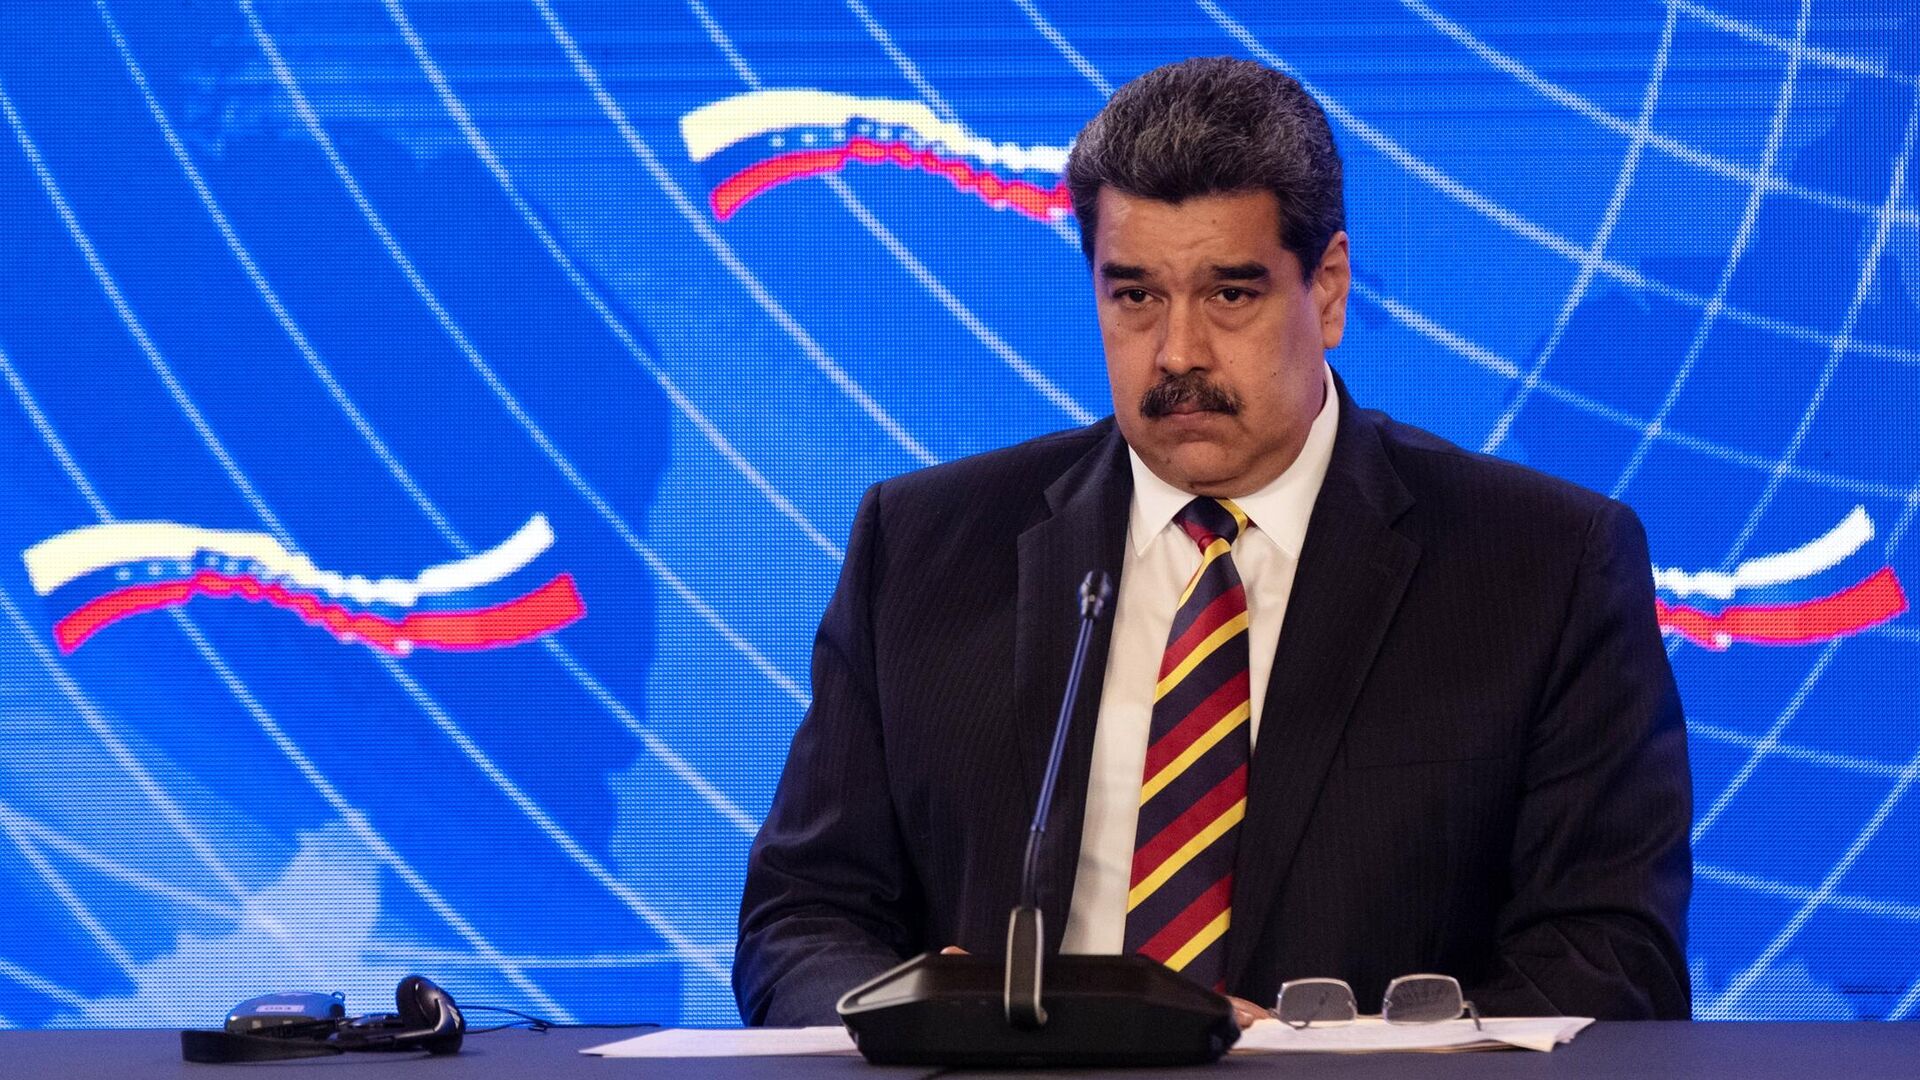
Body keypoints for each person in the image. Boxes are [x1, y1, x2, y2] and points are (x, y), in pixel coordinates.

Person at [733, 56, 1691, 1028]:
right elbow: (801, 918)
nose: (1178, 353)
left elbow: (1611, 963)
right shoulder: (923, 549)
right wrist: (920, 1015)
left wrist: (1324, 1057)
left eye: (1230, 295)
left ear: (1327, 290)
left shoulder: (1541, 567)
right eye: (1135, 297)